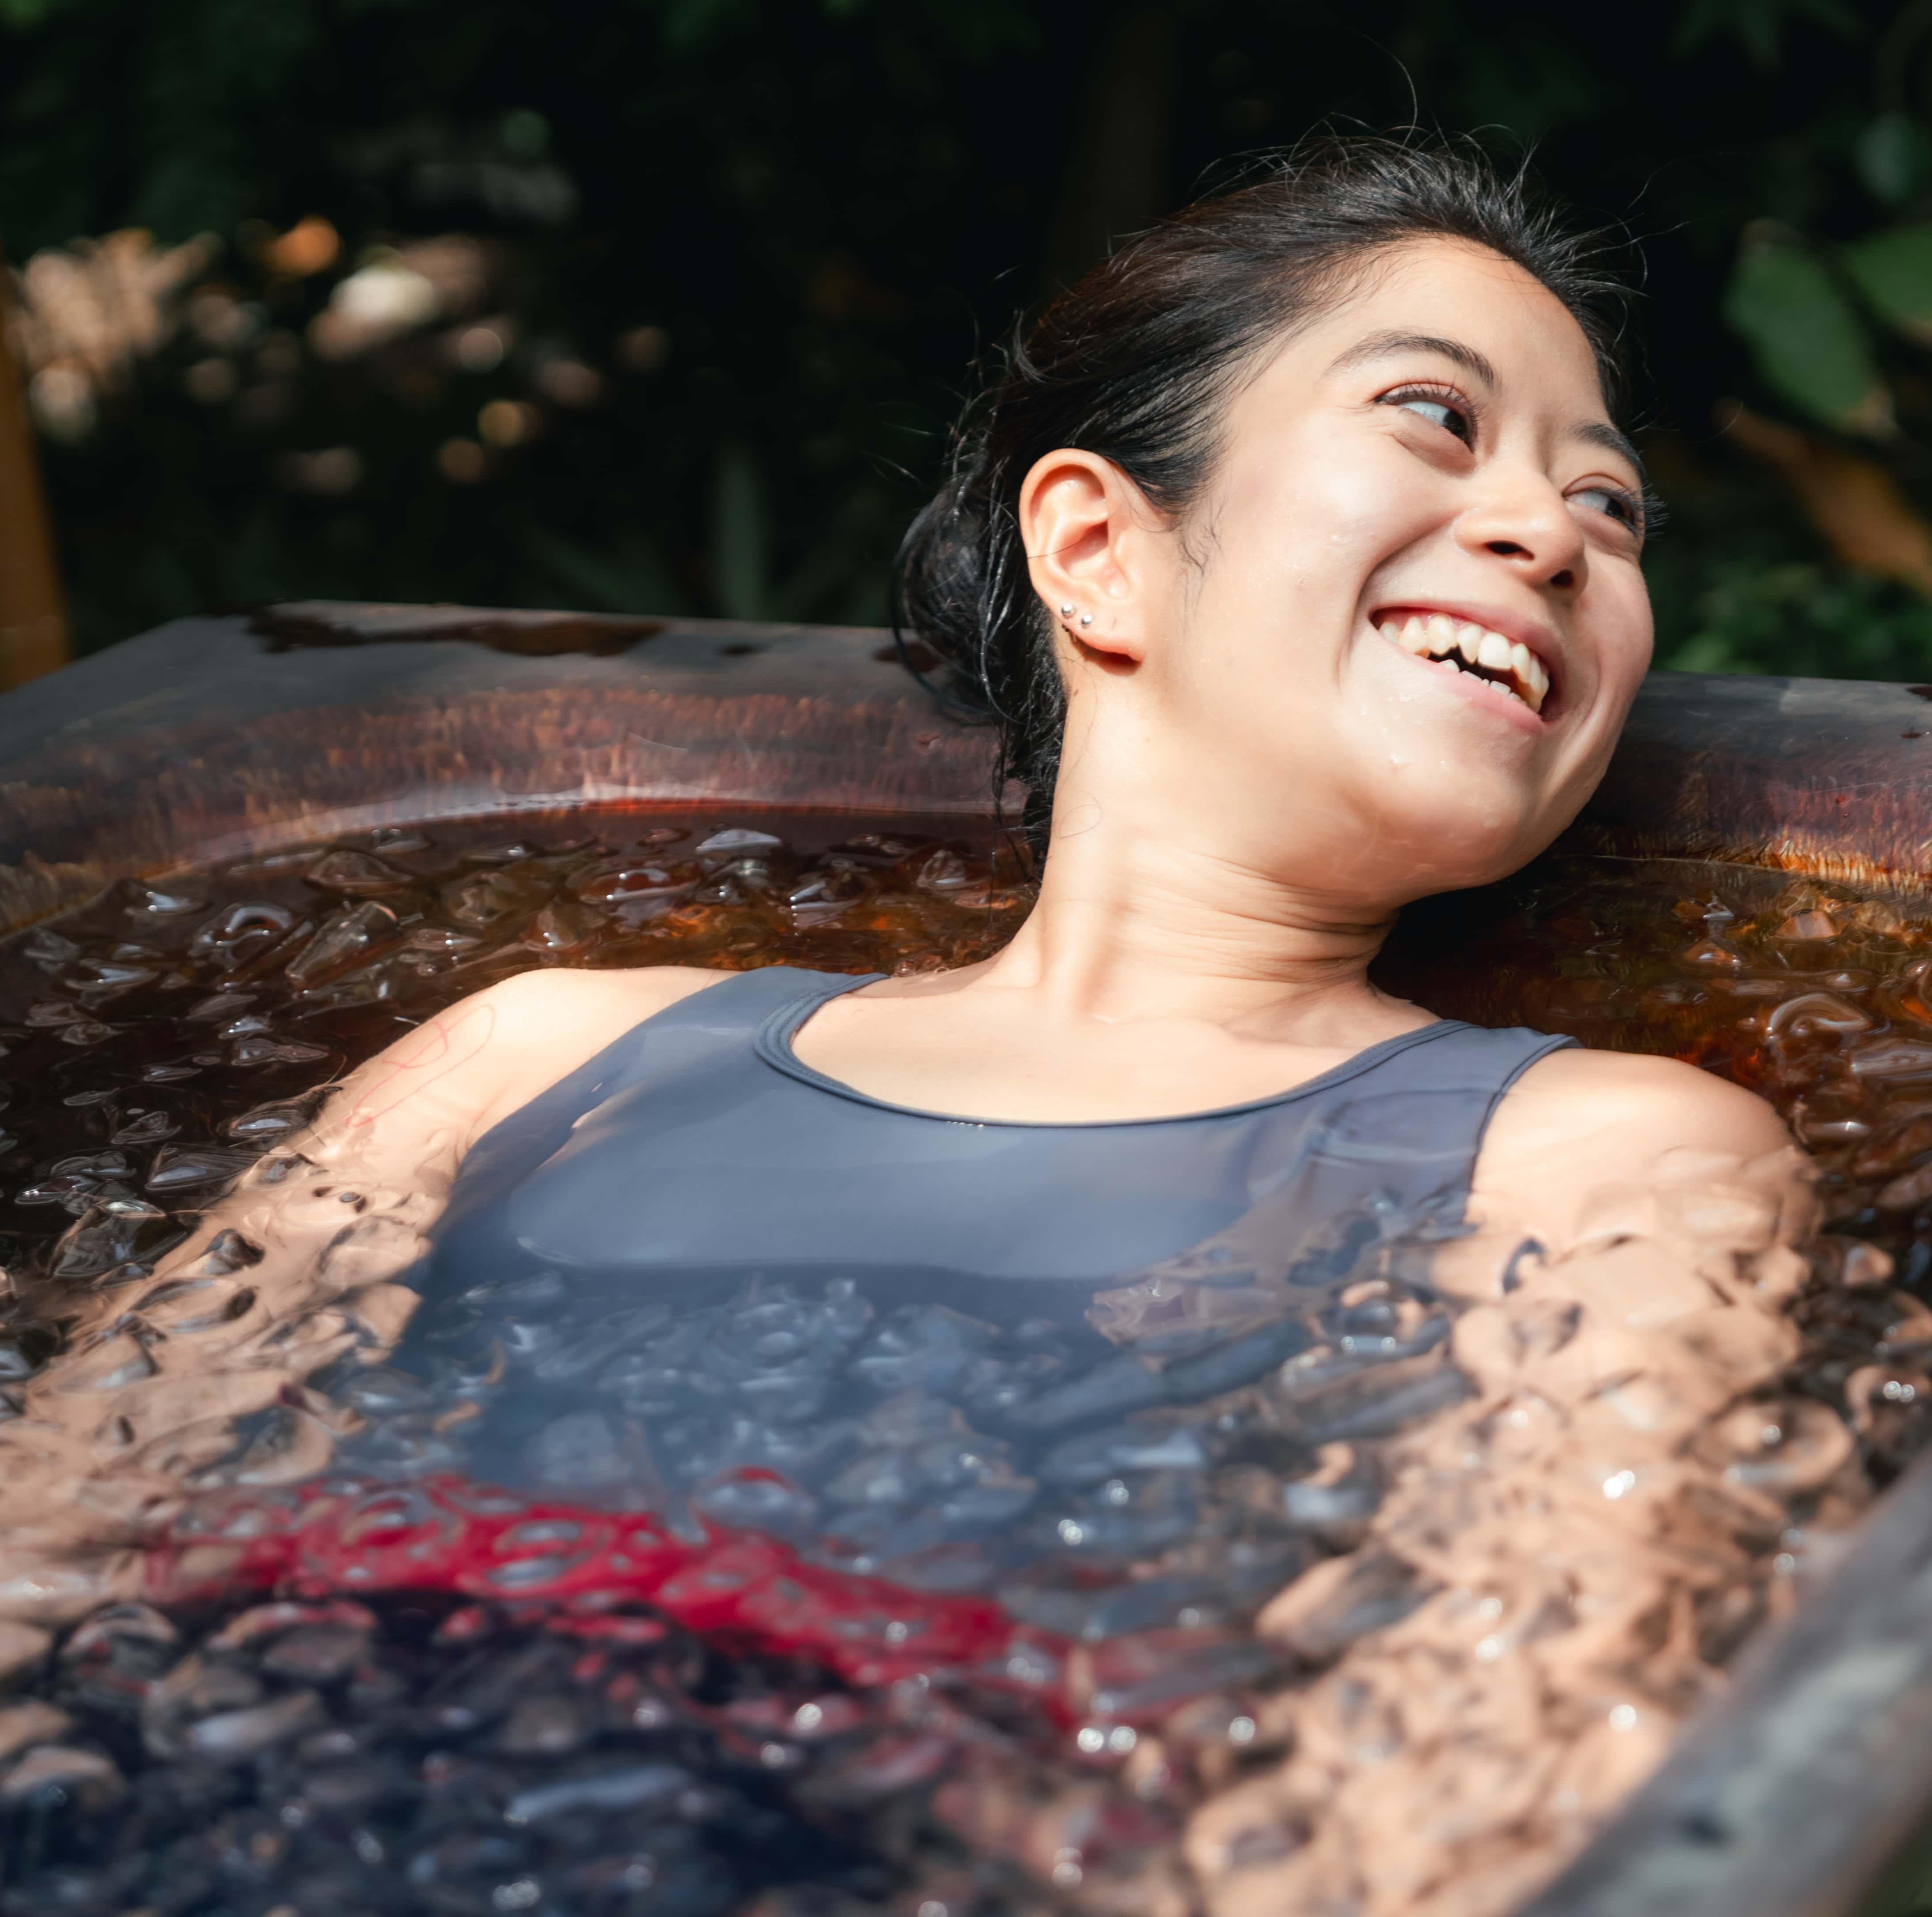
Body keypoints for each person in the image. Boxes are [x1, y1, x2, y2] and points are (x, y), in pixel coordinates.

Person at [317, 137, 1787, 1329]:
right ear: (1096, 548)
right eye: (1431, 414)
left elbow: (1540, 1695)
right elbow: (101, 1517)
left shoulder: (1601, 1163)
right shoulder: (539, 1059)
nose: (1550, 531)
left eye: (1611, 506)